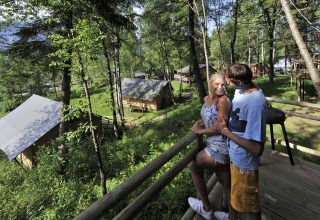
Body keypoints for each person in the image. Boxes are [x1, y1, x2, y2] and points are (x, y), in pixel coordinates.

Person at [213, 64, 268, 220]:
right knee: (242, 202)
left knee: (250, 207)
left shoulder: (256, 103)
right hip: (236, 157)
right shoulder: (240, 91)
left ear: (239, 81)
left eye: (229, 81)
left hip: (245, 163)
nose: (227, 84)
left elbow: (257, 148)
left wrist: (225, 132)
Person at [188, 74, 236, 220]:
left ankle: (207, 209)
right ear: (210, 84)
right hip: (214, 144)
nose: (221, 87)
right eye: (217, 84)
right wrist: (203, 123)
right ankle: (231, 216)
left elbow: (220, 128)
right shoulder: (208, 99)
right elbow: (209, 116)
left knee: (193, 167)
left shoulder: (223, 101)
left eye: (223, 84)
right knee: (225, 182)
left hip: (219, 146)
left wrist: (200, 131)